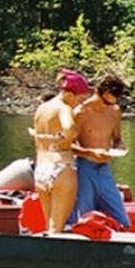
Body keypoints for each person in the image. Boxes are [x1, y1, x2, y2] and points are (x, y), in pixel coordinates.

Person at [30, 68, 90, 234]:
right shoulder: (64, 108)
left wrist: (47, 137)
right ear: (70, 94)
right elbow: (69, 128)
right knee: (57, 228)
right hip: (61, 168)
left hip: (41, 169)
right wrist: (62, 139)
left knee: (48, 225)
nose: (81, 104)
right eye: (81, 99)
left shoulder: (42, 108)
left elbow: (38, 137)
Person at [68, 74, 131, 228]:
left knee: (124, 222)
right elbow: (67, 144)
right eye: (104, 101)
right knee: (85, 220)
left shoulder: (114, 111)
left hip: (104, 170)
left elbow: (117, 139)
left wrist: (120, 147)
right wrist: (90, 153)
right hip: (84, 168)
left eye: (111, 103)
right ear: (97, 91)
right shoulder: (80, 112)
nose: (106, 106)